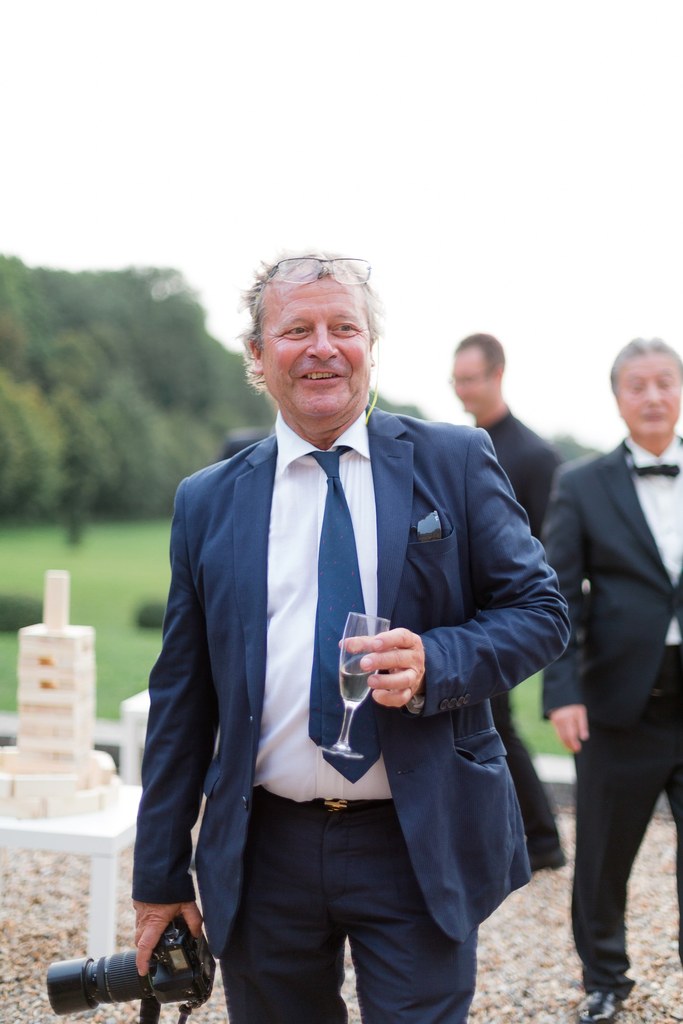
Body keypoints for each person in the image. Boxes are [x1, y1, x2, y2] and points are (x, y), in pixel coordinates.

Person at [132, 251, 569, 1024]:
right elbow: (180, 697)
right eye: (296, 329)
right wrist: (159, 876)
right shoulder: (207, 501)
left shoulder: (456, 461)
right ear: (257, 353)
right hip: (264, 848)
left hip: (417, 836)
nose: (323, 347)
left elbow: (541, 611)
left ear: (371, 344)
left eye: (343, 327)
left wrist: (438, 659)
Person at [543, 338, 683, 1023]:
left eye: (664, 382)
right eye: (637, 385)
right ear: (618, 398)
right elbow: (557, 595)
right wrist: (561, 690)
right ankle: (604, 978)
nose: (652, 396)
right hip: (618, 703)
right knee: (602, 857)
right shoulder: (581, 484)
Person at [452, 333, 566, 872]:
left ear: (497, 375)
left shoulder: (536, 456)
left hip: (508, 619)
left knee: (496, 724)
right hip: (467, 616)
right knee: (484, 724)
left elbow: (553, 549)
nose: (462, 390)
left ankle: (541, 840)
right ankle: (510, 837)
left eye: (470, 379)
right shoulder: (458, 446)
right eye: (456, 380)